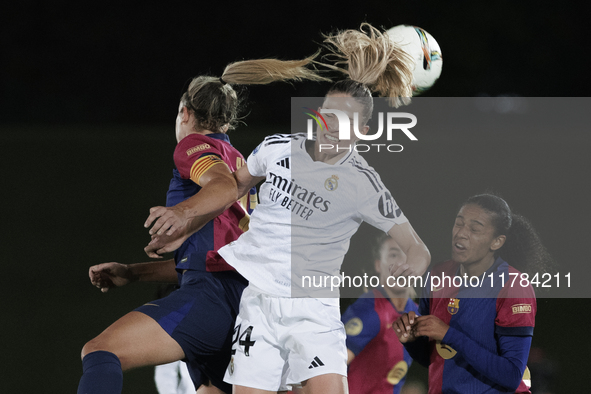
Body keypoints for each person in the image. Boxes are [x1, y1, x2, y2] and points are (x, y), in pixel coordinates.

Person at [145, 24, 431, 394]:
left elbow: (417, 249)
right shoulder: (276, 149)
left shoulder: (364, 183)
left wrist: (410, 269)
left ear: (362, 128)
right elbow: (231, 190)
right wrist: (186, 226)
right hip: (259, 304)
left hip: (313, 313)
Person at [77, 56, 328, 394]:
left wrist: (181, 212)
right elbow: (216, 254)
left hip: (212, 297)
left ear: (185, 113)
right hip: (243, 301)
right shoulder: (243, 164)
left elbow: (222, 187)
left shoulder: (194, 146)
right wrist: (134, 273)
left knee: (100, 352)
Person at [393, 194, 555, 393]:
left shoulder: (513, 286)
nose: (461, 233)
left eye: (474, 228)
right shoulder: (438, 274)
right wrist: (411, 339)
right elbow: (435, 358)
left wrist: (448, 333)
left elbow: (512, 375)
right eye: (458, 223)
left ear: (496, 242)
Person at [341, 235, 418, 394]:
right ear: (378, 265)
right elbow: (329, 366)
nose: (401, 262)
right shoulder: (369, 310)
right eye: (393, 255)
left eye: (406, 255)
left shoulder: (418, 313)